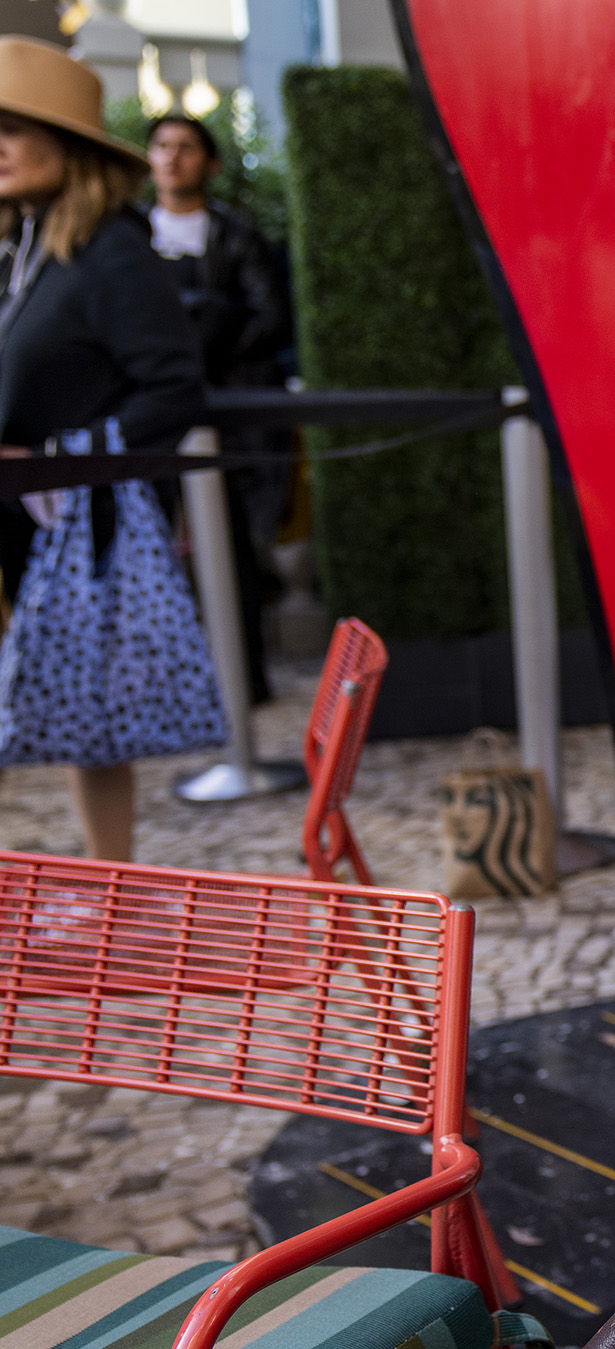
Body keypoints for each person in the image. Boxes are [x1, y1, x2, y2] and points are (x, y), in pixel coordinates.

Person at [0, 38, 207, 859]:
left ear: (70, 144)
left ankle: (112, 885)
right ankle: (102, 881)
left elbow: (174, 389)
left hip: (75, 523)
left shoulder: (112, 250)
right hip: (37, 524)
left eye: (13, 127)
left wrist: (56, 457)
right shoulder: (35, 248)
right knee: (67, 718)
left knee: (89, 725)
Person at [145, 111, 291, 703]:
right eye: (162, 146)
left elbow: (270, 314)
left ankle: (244, 675)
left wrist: (212, 335)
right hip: (151, 416)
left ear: (209, 163)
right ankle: (162, 684)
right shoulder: (126, 236)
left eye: (186, 147)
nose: (174, 158)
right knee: (145, 544)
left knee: (230, 546)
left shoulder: (236, 235)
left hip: (223, 416)